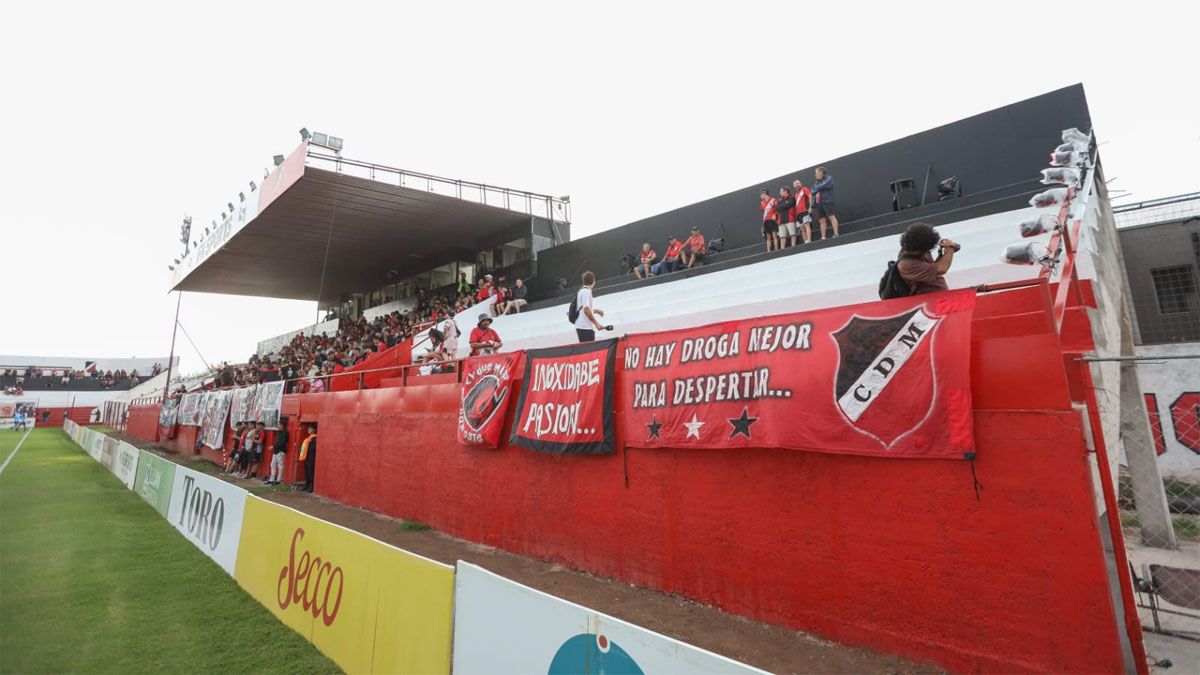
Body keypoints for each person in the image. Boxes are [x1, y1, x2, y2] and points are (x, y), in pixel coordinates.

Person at [896, 221, 958, 295]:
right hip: (927, 298)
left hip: (939, 293)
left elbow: (934, 267)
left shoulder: (915, 246)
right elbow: (942, 269)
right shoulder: (907, 264)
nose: (928, 252)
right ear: (922, 249)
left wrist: (942, 248)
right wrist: (950, 247)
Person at [574, 271, 608, 342]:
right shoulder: (586, 292)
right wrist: (596, 324)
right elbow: (586, 309)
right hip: (585, 327)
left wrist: (596, 311)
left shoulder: (582, 291)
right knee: (588, 349)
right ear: (593, 280)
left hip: (582, 326)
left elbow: (584, 309)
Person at [812, 166, 839, 239]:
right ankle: (823, 236)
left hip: (827, 201)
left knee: (831, 217)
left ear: (821, 172)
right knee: (821, 220)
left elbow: (825, 185)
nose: (815, 175)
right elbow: (813, 191)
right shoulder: (816, 182)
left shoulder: (829, 178)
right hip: (819, 203)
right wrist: (820, 187)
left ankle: (836, 233)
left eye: (816, 173)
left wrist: (818, 188)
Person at [266, 417, 289, 485]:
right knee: (273, 464)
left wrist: (273, 446)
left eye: (279, 425)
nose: (278, 426)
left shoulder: (285, 433)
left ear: (282, 425)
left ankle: (278, 480)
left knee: (280, 465)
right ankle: (272, 479)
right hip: (276, 450)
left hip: (280, 450)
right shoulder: (279, 432)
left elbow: (282, 442)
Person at [792, 179, 813, 243]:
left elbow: (810, 197)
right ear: (794, 186)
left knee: (807, 225)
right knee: (802, 228)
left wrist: (810, 207)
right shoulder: (796, 194)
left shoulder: (804, 189)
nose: (797, 185)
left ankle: (809, 240)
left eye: (798, 183)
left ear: (800, 183)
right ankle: (805, 241)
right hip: (799, 213)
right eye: (795, 184)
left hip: (805, 210)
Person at [299, 424, 317, 493]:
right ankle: (307, 484)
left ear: (314, 430)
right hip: (306, 457)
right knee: (307, 471)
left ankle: (311, 486)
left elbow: (313, 449)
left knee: (310, 472)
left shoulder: (314, 438)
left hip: (311, 457)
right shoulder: (308, 438)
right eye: (309, 428)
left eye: (310, 428)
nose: (308, 429)